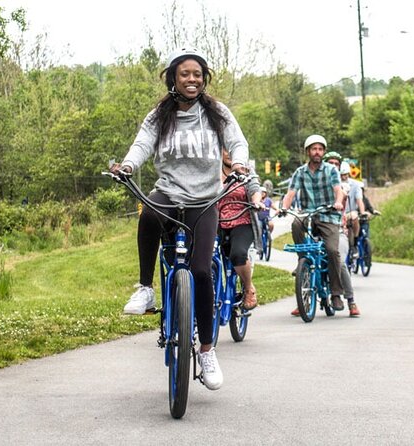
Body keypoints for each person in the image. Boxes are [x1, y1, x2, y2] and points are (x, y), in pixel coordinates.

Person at [109, 48, 249, 391]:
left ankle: (206, 351)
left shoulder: (216, 112)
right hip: (170, 194)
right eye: (185, 74)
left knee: (201, 272)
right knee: (149, 214)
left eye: (198, 74)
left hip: (205, 200)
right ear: (173, 77)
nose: (192, 79)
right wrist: (128, 166)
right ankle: (145, 289)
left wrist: (241, 165)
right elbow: (142, 144)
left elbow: (237, 142)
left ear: (204, 79)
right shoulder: (161, 114)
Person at [280, 135, 345, 311]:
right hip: (308, 214)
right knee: (296, 222)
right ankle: (303, 261)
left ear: (323, 152)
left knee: (332, 251)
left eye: (320, 149)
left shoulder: (331, 170)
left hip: (328, 215)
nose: (317, 152)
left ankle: (336, 293)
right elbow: (290, 193)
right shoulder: (300, 172)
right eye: (314, 149)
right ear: (308, 151)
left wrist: (338, 202)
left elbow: (338, 190)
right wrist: (284, 207)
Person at [218, 148, 262, 310]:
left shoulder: (246, 169)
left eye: (232, 149)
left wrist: (256, 202)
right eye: (225, 149)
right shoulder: (211, 170)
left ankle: (248, 287)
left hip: (241, 220)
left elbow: (255, 189)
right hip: (215, 221)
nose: (229, 153)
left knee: (238, 254)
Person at [323, 151, 361, 317]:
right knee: (307, 256)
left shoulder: (342, 186)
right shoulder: (316, 181)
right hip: (319, 227)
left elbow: (342, 198)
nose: (333, 166)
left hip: (338, 229)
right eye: (329, 162)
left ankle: (350, 300)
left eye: (336, 164)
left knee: (339, 260)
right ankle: (303, 298)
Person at [339, 161, 366, 258]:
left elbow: (359, 200)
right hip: (337, 212)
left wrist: (362, 212)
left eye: (345, 174)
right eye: (341, 175)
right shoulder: (335, 183)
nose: (343, 177)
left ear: (348, 174)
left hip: (349, 211)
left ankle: (354, 243)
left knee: (354, 217)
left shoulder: (355, 185)